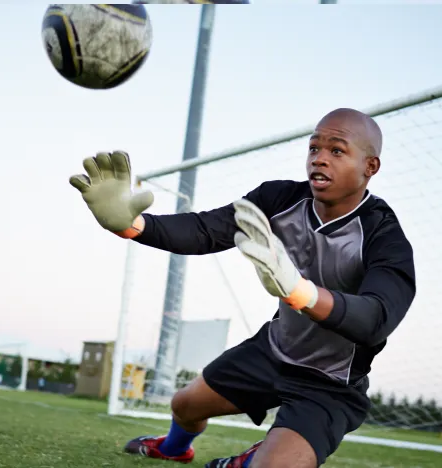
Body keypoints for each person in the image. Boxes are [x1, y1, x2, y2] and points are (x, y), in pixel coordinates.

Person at [69, 108, 416, 468]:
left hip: (331, 384)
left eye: (337, 151)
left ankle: (247, 461)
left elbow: (376, 318)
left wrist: (299, 289)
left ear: (370, 167)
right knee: (184, 405)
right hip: (272, 351)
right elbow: (207, 230)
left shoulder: (384, 236)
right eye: (314, 148)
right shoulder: (278, 199)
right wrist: (132, 225)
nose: (319, 159)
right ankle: (173, 448)